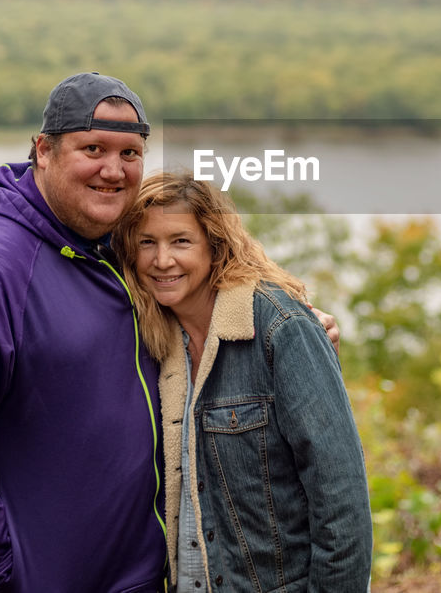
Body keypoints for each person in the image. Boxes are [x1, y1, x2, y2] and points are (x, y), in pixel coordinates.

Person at [0, 72, 339, 593]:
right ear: (44, 150)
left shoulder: (115, 246)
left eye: (130, 153)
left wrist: (291, 324)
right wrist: (1, 572)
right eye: (93, 148)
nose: (113, 170)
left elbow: (208, 278)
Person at [113, 172, 373, 593]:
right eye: (147, 242)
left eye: (181, 241)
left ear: (215, 245)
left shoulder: (280, 328)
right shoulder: (151, 343)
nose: (162, 260)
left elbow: (341, 503)